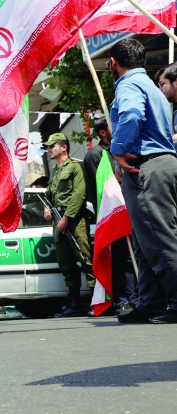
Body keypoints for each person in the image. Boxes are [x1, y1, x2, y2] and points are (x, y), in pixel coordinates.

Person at [108, 38, 177, 324]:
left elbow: (133, 114)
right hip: (160, 165)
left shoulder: (128, 84)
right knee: (146, 241)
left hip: (146, 168)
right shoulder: (149, 85)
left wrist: (118, 148)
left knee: (159, 241)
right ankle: (151, 302)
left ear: (113, 63)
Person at [81, 120, 137, 315]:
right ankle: (121, 300)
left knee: (132, 258)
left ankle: (136, 298)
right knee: (118, 259)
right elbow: (100, 191)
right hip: (113, 214)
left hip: (132, 211)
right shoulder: (96, 155)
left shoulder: (124, 150)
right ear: (103, 132)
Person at [42, 133, 94, 317]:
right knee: (66, 263)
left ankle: (97, 301)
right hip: (58, 220)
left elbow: (79, 194)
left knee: (85, 258)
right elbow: (48, 195)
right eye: (48, 147)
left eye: (52, 146)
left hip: (75, 219)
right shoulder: (55, 171)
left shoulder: (75, 167)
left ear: (64, 147)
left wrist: (67, 218)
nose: (49, 149)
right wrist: (47, 209)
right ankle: (74, 304)